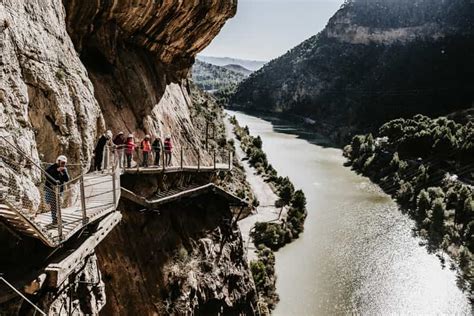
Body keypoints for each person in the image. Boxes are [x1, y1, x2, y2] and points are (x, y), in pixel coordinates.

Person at [44, 155, 70, 227]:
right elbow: (46, 174)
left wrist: (64, 171)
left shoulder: (64, 169)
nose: (63, 164)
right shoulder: (52, 167)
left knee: (58, 205)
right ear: (58, 161)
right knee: (53, 205)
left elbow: (67, 179)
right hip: (50, 189)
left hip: (59, 190)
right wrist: (56, 170)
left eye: (64, 163)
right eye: (62, 163)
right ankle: (54, 220)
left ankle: (59, 219)